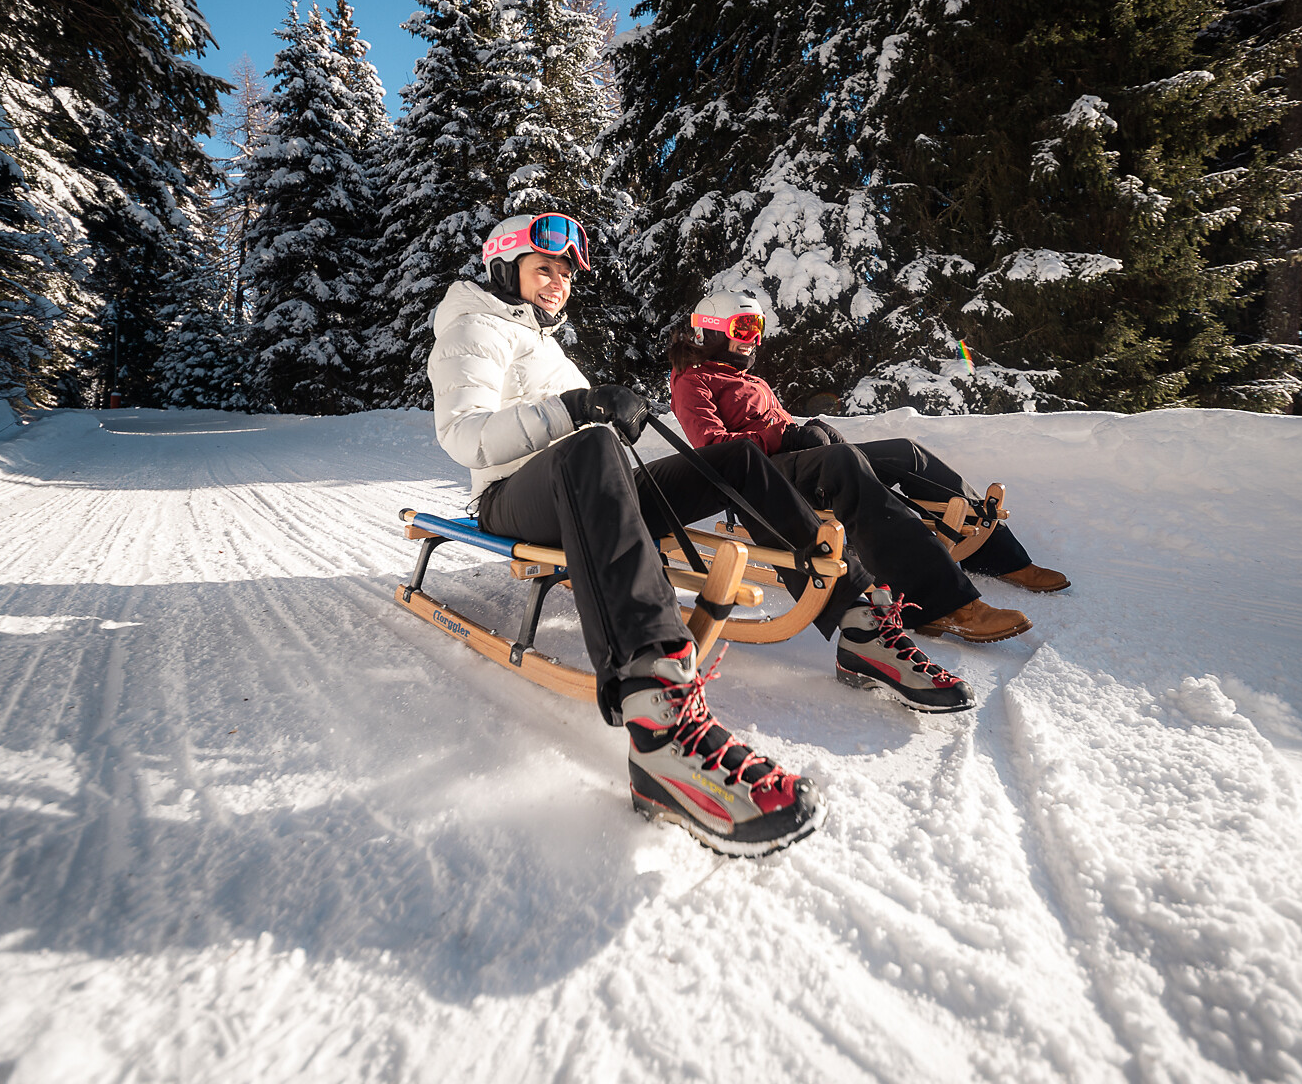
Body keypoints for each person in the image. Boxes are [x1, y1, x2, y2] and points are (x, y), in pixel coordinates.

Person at [429, 214, 977, 857]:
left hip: (583, 484)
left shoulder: (547, 343)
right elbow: (462, 433)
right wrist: (577, 411)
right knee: (590, 447)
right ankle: (658, 723)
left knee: (736, 462)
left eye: (564, 273)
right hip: (513, 497)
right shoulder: (471, 326)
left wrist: (600, 418)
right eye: (542, 269)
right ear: (504, 266)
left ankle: (856, 619)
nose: (556, 284)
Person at [668, 291, 1071, 640]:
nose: (752, 339)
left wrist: (806, 431)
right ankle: (942, 605)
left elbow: (778, 426)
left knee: (905, 451)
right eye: (742, 328)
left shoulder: (746, 378)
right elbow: (713, 450)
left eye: (757, 326)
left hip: (794, 463)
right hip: (761, 482)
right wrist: (784, 438)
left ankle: (1001, 555)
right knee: (844, 462)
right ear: (712, 330)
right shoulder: (692, 381)